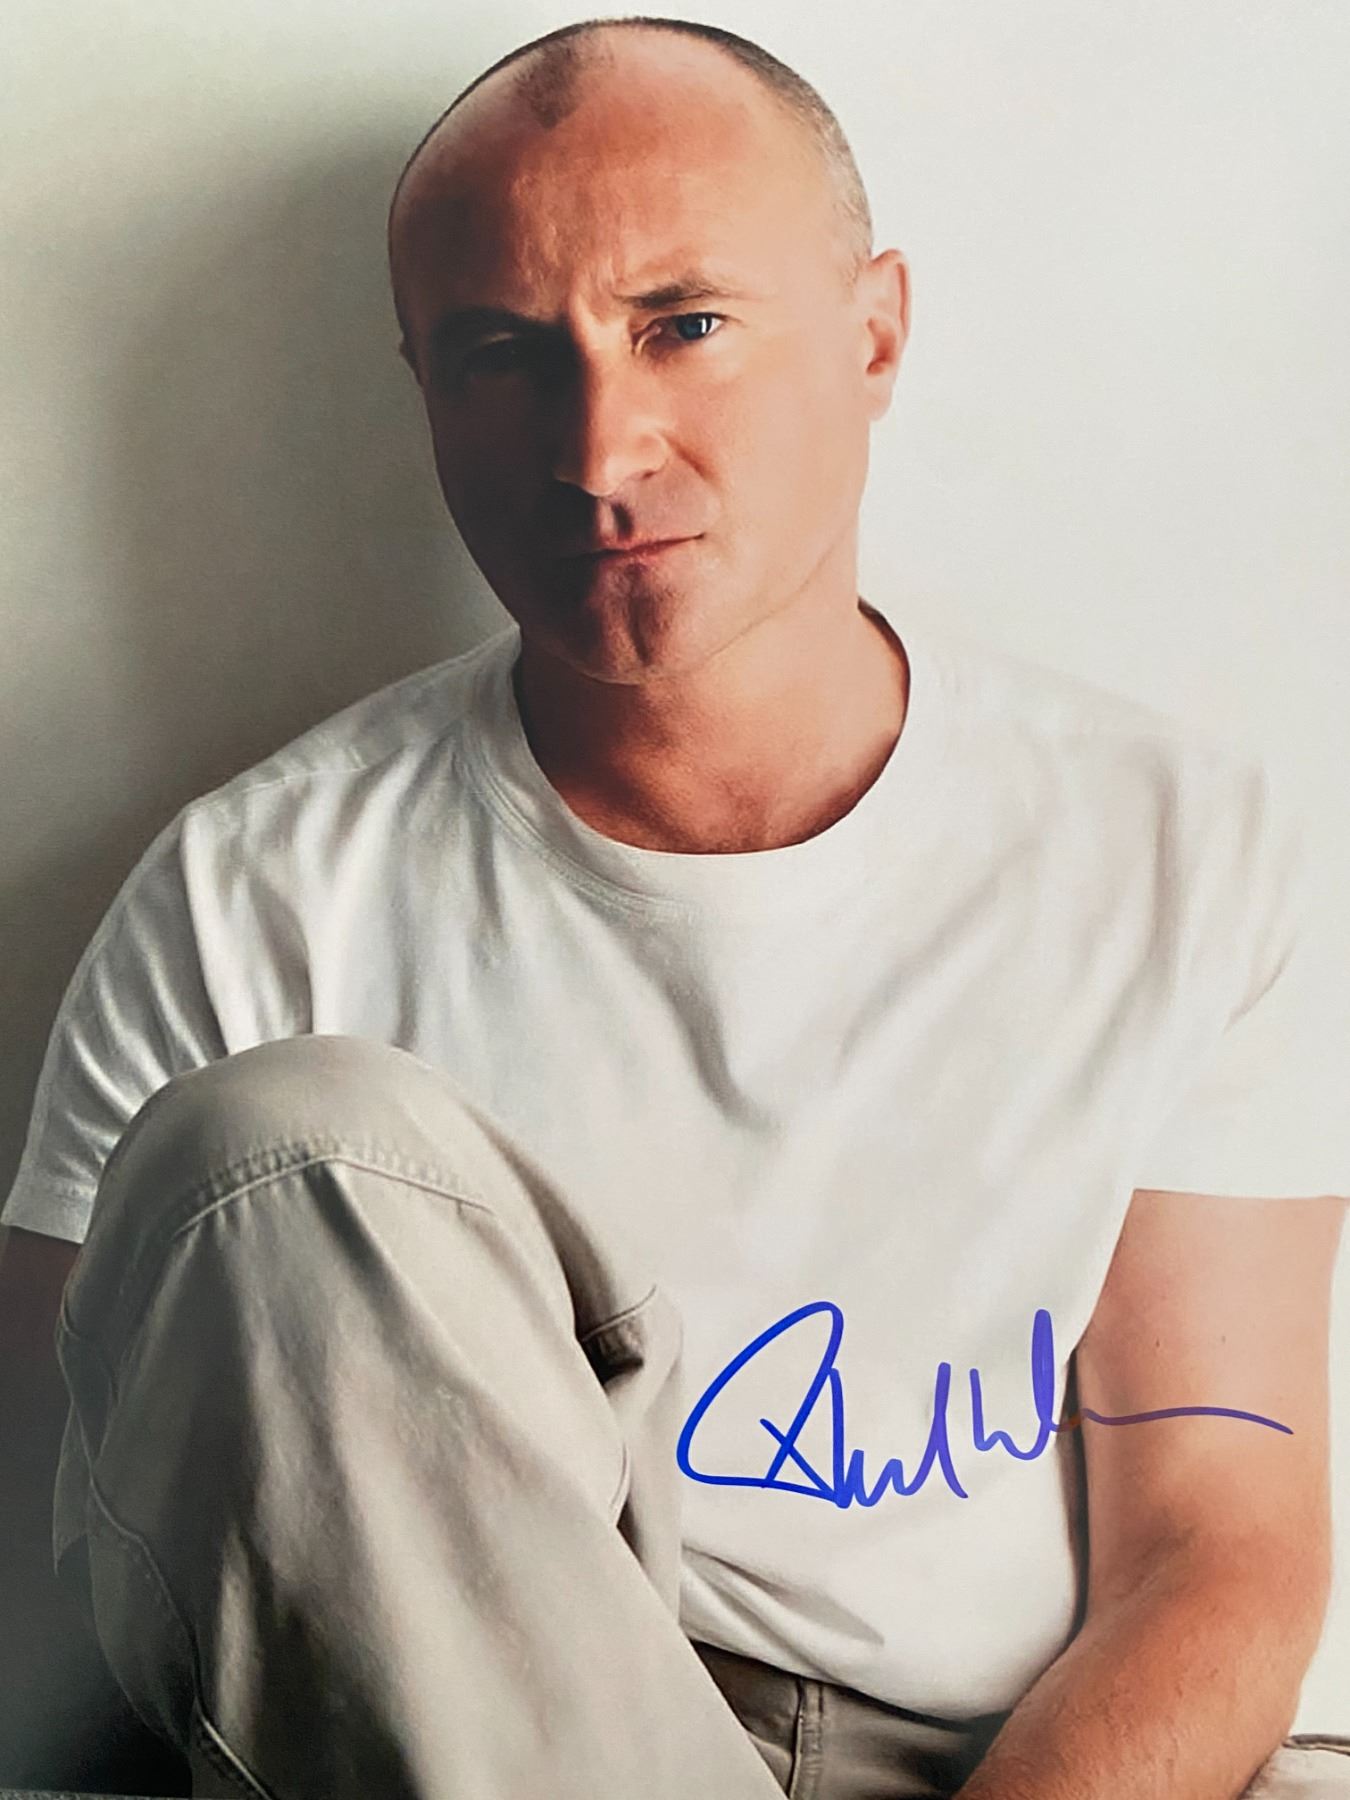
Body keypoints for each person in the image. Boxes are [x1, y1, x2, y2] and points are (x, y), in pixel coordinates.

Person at [1, 15, 1347, 1799]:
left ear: (873, 335)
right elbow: (84, 1557)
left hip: (1018, 1760)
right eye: (502, 355)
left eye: (682, 324)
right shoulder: (254, 895)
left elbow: (1215, 1549)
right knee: (277, 1146)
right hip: (439, 1733)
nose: (597, 449)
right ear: (424, 391)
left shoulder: (1174, 847)